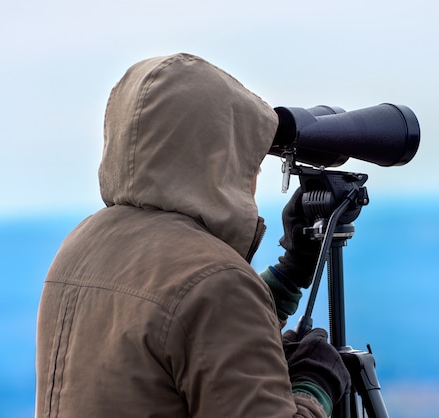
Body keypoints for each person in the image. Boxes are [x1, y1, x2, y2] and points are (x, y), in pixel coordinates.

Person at [35, 53, 350, 418]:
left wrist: (290, 272)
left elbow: (183, 327)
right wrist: (314, 388)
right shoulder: (217, 282)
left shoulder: (81, 245)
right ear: (219, 161)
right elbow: (203, 305)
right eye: (251, 161)